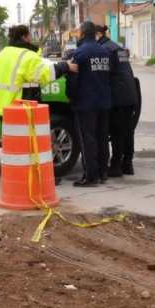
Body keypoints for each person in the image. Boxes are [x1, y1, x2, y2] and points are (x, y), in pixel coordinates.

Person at [0, 25, 76, 118]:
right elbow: (45, 73)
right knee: (63, 110)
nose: (31, 38)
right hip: (20, 108)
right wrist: (66, 66)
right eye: (29, 35)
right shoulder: (25, 55)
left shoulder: (2, 54)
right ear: (24, 37)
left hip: (3, 109)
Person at [66, 21, 112, 187]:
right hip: (104, 101)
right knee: (101, 137)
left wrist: (70, 97)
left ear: (83, 34)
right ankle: (102, 172)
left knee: (87, 139)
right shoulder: (104, 52)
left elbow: (73, 79)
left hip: (86, 103)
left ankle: (90, 176)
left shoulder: (80, 53)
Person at [97, 25, 138, 177]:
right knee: (127, 131)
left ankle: (115, 166)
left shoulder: (106, 49)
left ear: (98, 34)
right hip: (130, 94)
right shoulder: (117, 47)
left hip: (118, 97)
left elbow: (105, 73)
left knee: (117, 132)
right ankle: (128, 164)